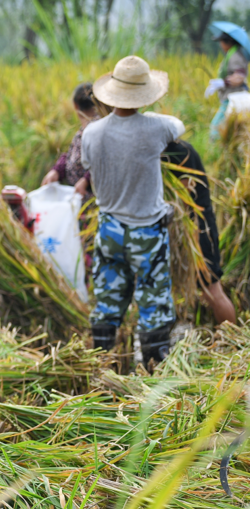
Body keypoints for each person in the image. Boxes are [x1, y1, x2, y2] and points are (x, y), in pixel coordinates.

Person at [81, 56, 185, 365]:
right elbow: (178, 127)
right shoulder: (157, 127)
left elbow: (88, 167)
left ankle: (100, 366)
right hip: (147, 232)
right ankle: (153, 370)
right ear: (145, 94)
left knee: (108, 299)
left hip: (109, 229)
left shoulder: (92, 133)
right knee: (154, 300)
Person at [161, 139, 237, 325]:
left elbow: (185, 193)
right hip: (191, 230)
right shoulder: (175, 149)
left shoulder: (179, 152)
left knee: (212, 291)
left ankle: (236, 341)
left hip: (199, 232)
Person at [42, 83, 99, 199]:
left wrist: (86, 180)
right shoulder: (84, 130)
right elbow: (72, 156)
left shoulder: (98, 129)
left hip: (92, 203)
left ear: (75, 106)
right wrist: (57, 170)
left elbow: (103, 159)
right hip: (77, 199)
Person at [210, 29, 248, 140]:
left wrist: (223, 82)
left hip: (233, 98)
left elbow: (239, 76)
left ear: (227, 42)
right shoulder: (232, 54)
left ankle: (213, 151)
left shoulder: (235, 56)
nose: (221, 45)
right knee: (234, 129)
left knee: (216, 127)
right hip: (231, 97)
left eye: (221, 42)